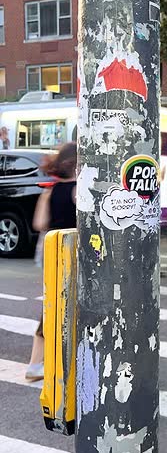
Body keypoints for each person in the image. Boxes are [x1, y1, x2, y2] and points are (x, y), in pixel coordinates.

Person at [26, 142, 77, 382]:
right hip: (73, 255)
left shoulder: (50, 190)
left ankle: (36, 363)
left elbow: (39, 224)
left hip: (52, 254)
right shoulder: (79, 191)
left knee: (50, 307)